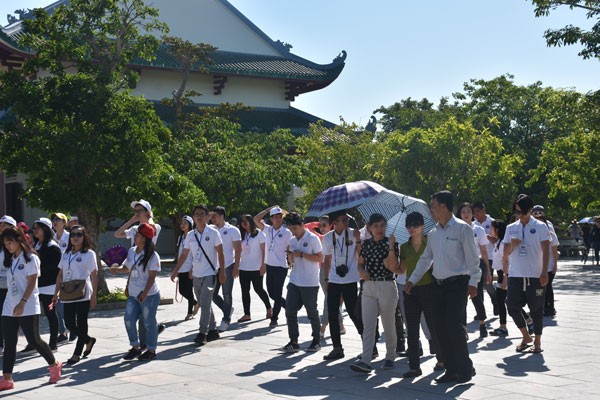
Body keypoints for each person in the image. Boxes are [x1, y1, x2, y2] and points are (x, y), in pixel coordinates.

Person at [405, 190, 480, 384]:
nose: (431, 210)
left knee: (454, 327)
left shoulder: (463, 229)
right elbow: (425, 259)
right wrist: (412, 279)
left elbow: (473, 259)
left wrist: (473, 283)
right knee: (439, 328)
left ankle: (464, 369)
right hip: (438, 285)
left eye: (433, 206)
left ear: (444, 207)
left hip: (458, 284)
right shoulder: (434, 233)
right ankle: (451, 368)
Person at [0, 227, 62, 390]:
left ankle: (54, 364)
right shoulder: (10, 259)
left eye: (10, 242)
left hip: (27, 304)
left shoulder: (31, 258)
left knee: (33, 340)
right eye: (5, 243)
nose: (8, 246)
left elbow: (32, 282)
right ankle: (7, 378)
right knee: (10, 341)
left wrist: (22, 302)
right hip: (9, 305)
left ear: (20, 240)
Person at [350, 213, 399, 373]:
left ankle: (390, 356)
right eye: (376, 226)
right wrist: (361, 271)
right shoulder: (366, 244)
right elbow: (360, 264)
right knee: (368, 324)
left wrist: (392, 246)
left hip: (386, 284)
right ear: (369, 228)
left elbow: (394, 267)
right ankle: (366, 359)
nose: (379, 229)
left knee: (388, 323)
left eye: (382, 225)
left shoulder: (390, 243)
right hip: (368, 286)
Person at [171, 204, 225, 346]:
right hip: (196, 274)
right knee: (203, 302)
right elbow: (184, 254)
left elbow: (220, 253)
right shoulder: (190, 235)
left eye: (202, 214)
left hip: (210, 274)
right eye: (196, 214)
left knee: (205, 303)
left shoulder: (213, 233)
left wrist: (223, 272)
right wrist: (176, 270)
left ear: (207, 217)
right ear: (193, 217)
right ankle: (213, 329)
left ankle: (202, 333)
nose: (199, 216)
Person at [503, 194, 550, 354]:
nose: (519, 215)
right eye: (517, 211)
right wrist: (512, 245)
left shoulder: (541, 226)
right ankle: (525, 335)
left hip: (535, 274)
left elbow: (546, 250)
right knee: (511, 305)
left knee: (537, 309)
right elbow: (505, 253)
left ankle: (537, 342)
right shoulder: (511, 228)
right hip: (516, 274)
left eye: (522, 211)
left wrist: (545, 271)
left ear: (530, 210)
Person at [400, 212, 444, 378]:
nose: (412, 228)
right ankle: (414, 366)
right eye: (409, 225)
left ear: (422, 226)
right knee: (411, 329)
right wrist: (390, 249)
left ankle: (441, 359)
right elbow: (400, 269)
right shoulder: (404, 247)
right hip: (410, 290)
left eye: (416, 224)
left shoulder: (431, 242)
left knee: (434, 326)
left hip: (429, 288)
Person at [111, 223, 161, 361]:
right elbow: (127, 268)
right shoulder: (132, 251)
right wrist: (117, 269)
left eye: (138, 234)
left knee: (149, 323)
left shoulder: (153, 255)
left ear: (144, 238)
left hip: (149, 295)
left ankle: (151, 350)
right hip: (133, 294)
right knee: (128, 320)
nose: (135, 236)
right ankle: (135, 347)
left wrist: (145, 292)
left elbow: (152, 276)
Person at [53, 225, 98, 365]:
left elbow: (94, 275)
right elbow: (60, 274)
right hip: (67, 292)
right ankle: (88, 340)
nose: (75, 237)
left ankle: (77, 353)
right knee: (69, 323)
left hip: (82, 292)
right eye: (72, 235)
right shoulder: (66, 254)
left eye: (79, 234)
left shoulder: (89, 254)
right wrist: (56, 293)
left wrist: (94, 295)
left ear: (84, 237)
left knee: (82, 322)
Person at [321, 210, 363, 360]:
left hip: (351, 280)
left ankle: (369, 345)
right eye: (343, 220)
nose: (346, 222)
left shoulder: (354, 234)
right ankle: (337, 348)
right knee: (333, 314)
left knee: (353, 313)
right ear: (334, 222)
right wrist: (326, 279)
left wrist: (358, 240)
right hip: (333, 280)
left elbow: (362, 254)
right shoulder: (327, 238)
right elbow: (327, 260)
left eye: (347, 219)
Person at [280, 212, 323, 353]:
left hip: (310, 282)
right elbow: (291, 261)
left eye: (295, 228)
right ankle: (294, 341)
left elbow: (320, 258)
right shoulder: (292, 241)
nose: (293, 232)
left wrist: (302, 254)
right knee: (290, 311)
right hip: (294, 280)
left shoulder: (312, 238)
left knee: (312, 313)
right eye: (291, 229)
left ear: (301, 225)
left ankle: (316, 340)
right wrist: (290, 257)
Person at [457, 202, 492, 338]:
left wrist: (488, 270)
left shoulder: (479, 230)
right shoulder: (455, 229)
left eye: (469, 212)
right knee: (462, 299)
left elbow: (484, 251)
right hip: (460, 267)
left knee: (476, 297)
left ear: (472, 214)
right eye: (463, 212)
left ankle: (482, 323)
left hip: (476, 266)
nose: (466, 214)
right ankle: (463, 328)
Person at [254, 206, 292, 328]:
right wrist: (267, 209)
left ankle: (274, 318)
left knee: (277, 293)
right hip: (270, 266)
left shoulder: (286, 232)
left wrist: (291, 261)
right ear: (271, 218)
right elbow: (256, 219)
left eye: (280, 216)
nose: (278, 219)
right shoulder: (267, 230)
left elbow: (290, 248)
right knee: (272, 294)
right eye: (276, 217)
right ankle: (288, 306)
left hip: (281, 267)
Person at [31, 218, 61, 351]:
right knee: (33, 314)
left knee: (50, 315)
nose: (35, 230)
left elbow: (55, 269)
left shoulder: (52, 246)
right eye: (34, 228)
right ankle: (33, 342)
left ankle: (53, 343)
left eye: (38, 227)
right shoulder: (36, 245)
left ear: (45, 229)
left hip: (49, 287)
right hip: (37, 286)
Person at [210, 206, 241, 332]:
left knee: (226, 294)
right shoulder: (211, 230)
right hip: (214, 267)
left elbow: (238, 250)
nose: (212, 219)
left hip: (228, 265)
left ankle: (226, 319)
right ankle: (227, 309)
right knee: (212, 294)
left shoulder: (233, 230)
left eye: (214, 216)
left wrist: (236, 267)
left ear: (222, 215)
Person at [236, 214, 271, 322]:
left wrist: (263, 265)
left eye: (246, 221)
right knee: (245, 291)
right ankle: (247, 314)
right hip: (244, 267)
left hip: (256, 267)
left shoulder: (259, 234)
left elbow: (264, 250)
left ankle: (269, 307)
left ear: (251, 222)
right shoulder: (241, 235)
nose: (244, 223)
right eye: (242, 221)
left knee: (258, 289)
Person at [472, 201, 498, 315]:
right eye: (474, 212)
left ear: (484, 210)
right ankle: (480, 311)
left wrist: (489, 237)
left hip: (490, 256)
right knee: (477, 284)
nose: (476, 214)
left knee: (487, 284)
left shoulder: (492, 222)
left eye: (478, 211)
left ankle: (495, 300)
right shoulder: (473, 224)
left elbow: (498, 239)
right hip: (477, 257)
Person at [51, 212, 71, 343]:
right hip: (54, 273)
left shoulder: (69, 237)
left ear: (64, 223)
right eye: (53, 219)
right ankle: (63, 331)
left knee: (66, 303)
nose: (55, 221)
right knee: (57, 303)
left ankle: (71, 328)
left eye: (58, 219)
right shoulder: (51, 238)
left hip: (67, 273)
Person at [176, 215, 199, 321]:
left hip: (189, 267)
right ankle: (196, 303)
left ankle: (190, 312)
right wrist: (176, 269)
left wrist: (192, 269)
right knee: (181, 290)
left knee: (189, 291)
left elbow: (195, 254)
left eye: (185, 223)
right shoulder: (180, 237)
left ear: (190, 225)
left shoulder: (193, 237)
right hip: (181, 268)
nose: (182, 225)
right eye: (182, 223)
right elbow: (179, 254)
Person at [0, 215, 18, 350]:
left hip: (12, 286)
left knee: (12, 317)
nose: (1, 227)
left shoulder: (17, 246)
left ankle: (11, 342)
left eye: (4, 224)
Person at [489, 220, 509, 336]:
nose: (489, 230)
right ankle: (503, 326)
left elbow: (507, 262)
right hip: (500, 275)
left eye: (492, 228)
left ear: (497, 230)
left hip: (505, 275)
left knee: (507, 302)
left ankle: (528, 321)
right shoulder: (498, 243)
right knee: (502, 301)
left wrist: (505, 279)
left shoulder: (502, 245)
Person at [538, 216, 559, 317]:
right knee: (539, 288)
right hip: (537, 266)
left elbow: (555, 251)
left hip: (549, 266)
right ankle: (541, 307)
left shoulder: (551, 235)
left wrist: (555, 265)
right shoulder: (534, 234)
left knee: (548, 286)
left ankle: (550, 308)